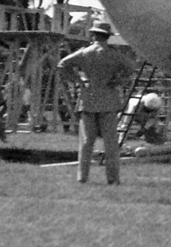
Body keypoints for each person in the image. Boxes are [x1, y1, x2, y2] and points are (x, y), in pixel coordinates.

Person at [57, 21, 134, 185]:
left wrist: (77, 80)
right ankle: (113, 178)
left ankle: (82, 177)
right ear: (108, 36)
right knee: (111, 144)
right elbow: (131, 69)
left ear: (94, 35)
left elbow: (62, 64)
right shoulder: (114, 55)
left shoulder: (85, 53)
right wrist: (118, 81)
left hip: (88, 100)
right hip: (109, 101)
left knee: (86, 142)